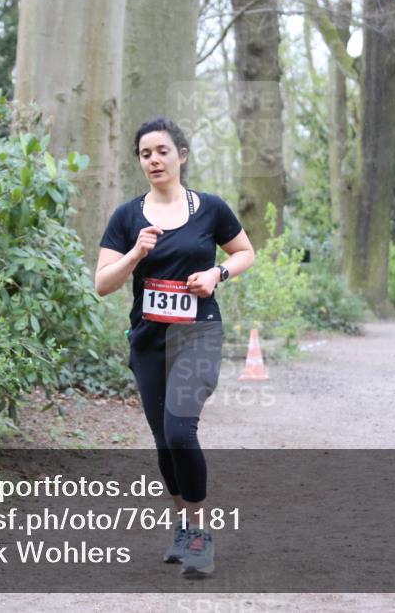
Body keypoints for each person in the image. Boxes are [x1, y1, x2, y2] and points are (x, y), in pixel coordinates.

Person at [94, 118, 255, 577]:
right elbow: (103, 284)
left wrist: (216, 274)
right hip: (148, 340)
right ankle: (184, 527)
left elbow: (245, 252)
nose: (154, 160)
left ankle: (201, 535)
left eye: (162, 151)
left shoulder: (211, 209)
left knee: (181, 432)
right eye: (145, 154)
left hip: (198, 333)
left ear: (181, 154)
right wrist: (135, 254)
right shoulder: (127, 217)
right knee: (164, 441)